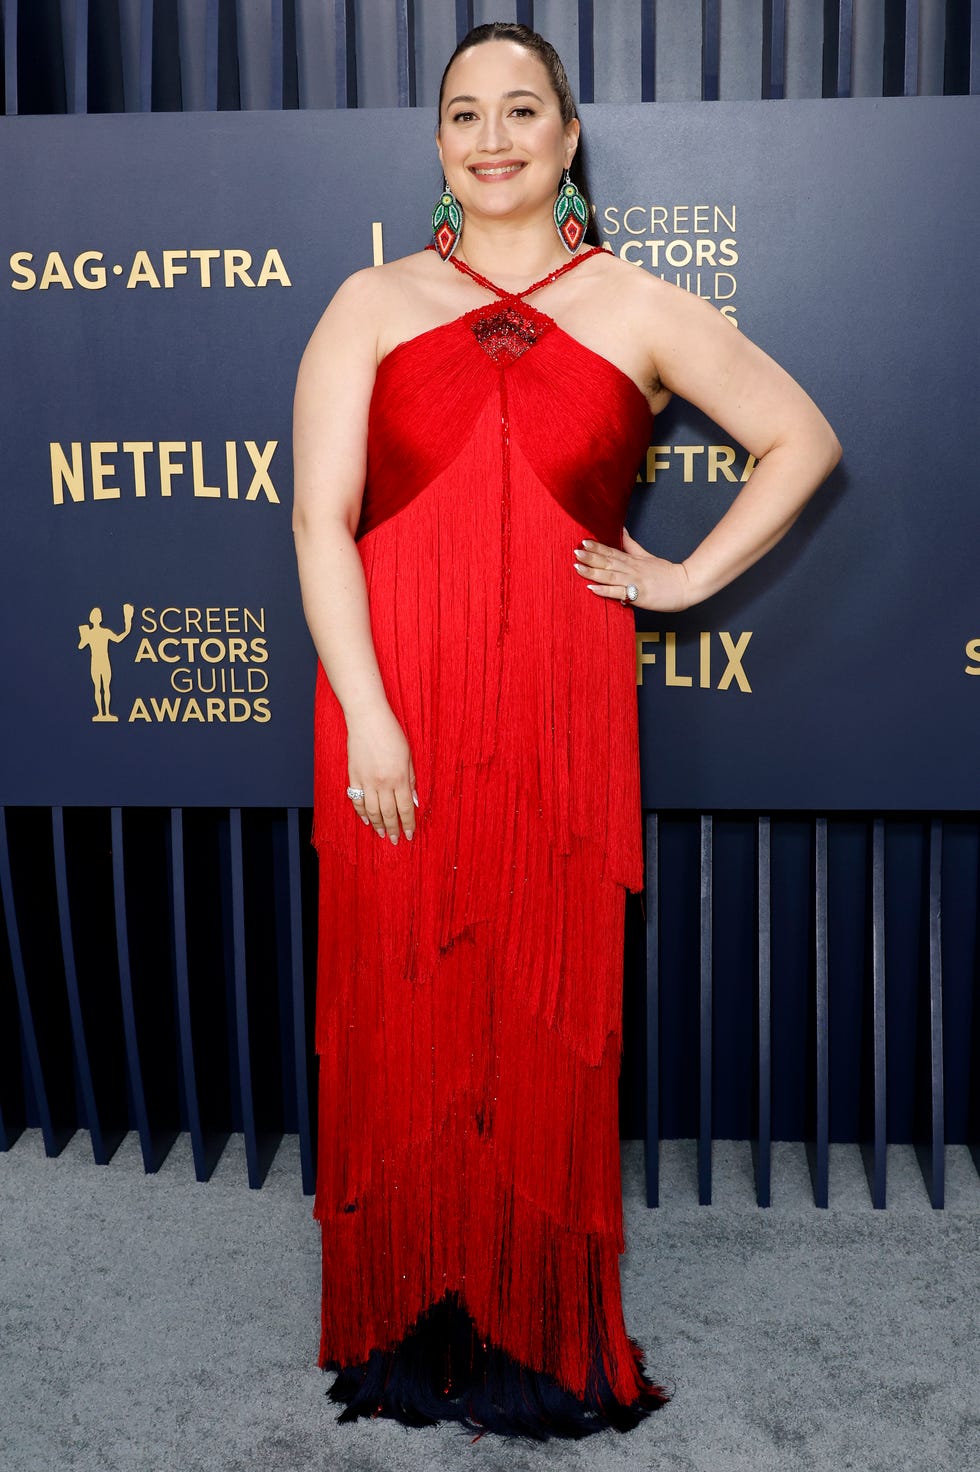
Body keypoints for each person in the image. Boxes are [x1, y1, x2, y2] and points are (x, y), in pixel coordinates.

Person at [292, 21, 840, 1442]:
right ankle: (415, 1318)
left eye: (522, 110)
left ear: (568, 135)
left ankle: (541, 1330)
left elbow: (801, 437)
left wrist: (686, 578)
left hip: (557, 712)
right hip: (393, 705)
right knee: (404, 998)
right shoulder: (368, 300)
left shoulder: (644, 307)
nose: (493, 137)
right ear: (437, 146)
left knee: (543, 1014)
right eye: (465, 113)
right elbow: (319, 519)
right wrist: (366, 715)